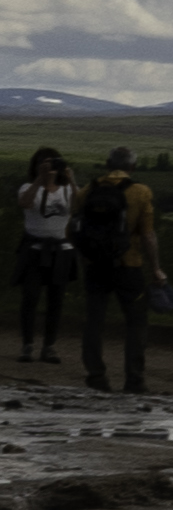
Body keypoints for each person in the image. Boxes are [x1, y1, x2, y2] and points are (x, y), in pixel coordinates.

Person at [75, 145, 160, 396]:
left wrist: (88, 257)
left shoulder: (87, 191)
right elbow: (148, 235)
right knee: (136, 323)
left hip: (95, 268)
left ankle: (96, 376)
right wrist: (156, 268)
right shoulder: (141, 192)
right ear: (132, 167)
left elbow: (73, 231)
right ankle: (134, 379)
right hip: (129, 266)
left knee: (94, 321)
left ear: (106, 164)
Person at [16, 145, 71, 367]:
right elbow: (25, 203)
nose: (49, 167)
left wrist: (71, 180)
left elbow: (80, 206)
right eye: (43, 163)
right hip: (34, 249)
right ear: (36, 166)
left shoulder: (66, 190)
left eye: (52, 163)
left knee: (55, 301)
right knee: (30, 298)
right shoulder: (28, 187)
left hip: (60, 249)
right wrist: (40, 180)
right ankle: (27, 345)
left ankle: (49, 346)